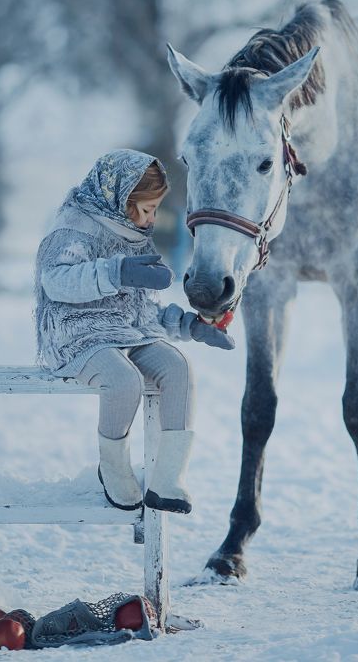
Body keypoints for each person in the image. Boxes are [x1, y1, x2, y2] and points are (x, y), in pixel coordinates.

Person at [34, 149, 234, 514]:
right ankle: (112, 466)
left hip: (123, 328)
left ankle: (168, 478)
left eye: (156, 209)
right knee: (123, 381)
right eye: (145, 209)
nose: (151, 220)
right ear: (119, 197)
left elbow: (141, 309)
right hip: (76, 332)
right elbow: (55, 280)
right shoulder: (76, 223)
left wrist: (191, 326)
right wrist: (117, 272)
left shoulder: (134, 232)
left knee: (177, 368)